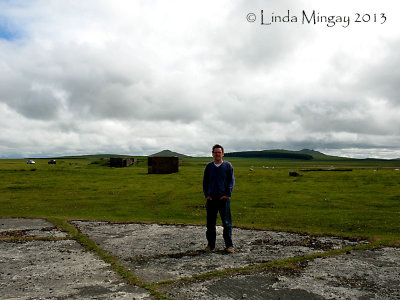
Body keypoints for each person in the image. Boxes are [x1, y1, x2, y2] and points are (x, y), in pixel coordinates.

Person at [203, 144, 235, 253]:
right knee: (210, 224)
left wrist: (227, 194)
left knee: (226, 223)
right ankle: (210, 245)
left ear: (223, 154)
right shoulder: (209, 167)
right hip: (211, 199)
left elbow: (231, 181)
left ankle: (229, 246)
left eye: (219, 152)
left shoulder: (227, 166)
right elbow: (205, 182)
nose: (217, 154)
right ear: (212, 154)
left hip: (223, 199)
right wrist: (206, 194)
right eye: (215, 152)